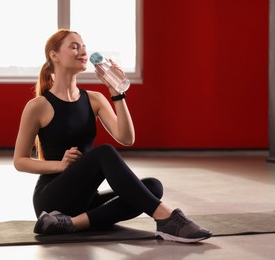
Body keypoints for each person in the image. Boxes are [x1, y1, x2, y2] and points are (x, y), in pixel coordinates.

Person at [13, 29, 212, 243]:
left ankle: (71, 223)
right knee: (104, 153)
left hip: (85, 199)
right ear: (54, 55)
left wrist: (116, 92)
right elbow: (20, 161)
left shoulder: (94, 99)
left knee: (153, 187)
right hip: (51, 200)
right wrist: (59, 166)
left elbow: (126, 138)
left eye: (84, 47)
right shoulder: (38, 106)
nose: (83, 52)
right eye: (74, 46)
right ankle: (167, 218)